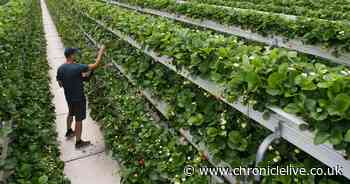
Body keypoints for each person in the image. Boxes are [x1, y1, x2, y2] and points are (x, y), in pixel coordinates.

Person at [57, 46, 106, 149]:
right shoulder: (78, 67)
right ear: (71, 55)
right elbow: (95, 64)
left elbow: (60, 84)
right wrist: (101, 51)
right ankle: (78, 142)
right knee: (79, 120)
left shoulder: (61, 68)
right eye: (74, 53)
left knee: (70, 112)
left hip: (69, 97)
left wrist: (72, 80)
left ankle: (69, 131)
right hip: (78, 98)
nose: (76, 55)